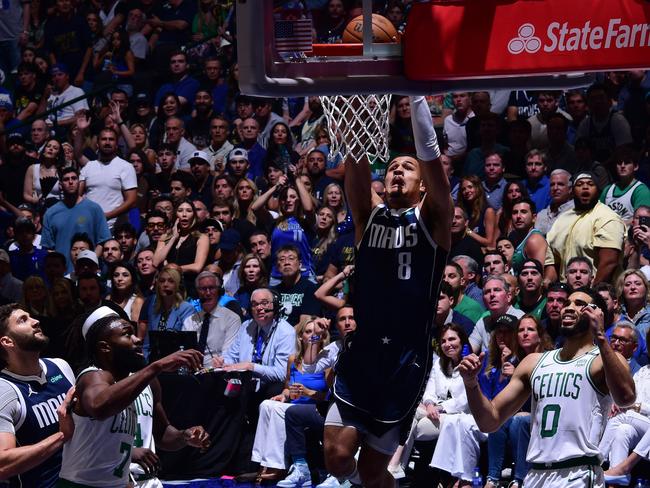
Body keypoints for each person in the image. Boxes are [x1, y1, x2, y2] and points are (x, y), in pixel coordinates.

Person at [323, 95, 451, 488]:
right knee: (337, 458)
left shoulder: (435, 216)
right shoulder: (367, 214)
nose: (397, 172)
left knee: (375, 472)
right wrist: (361, 99)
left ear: (422, 185)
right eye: (392, 166)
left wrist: (413, 98)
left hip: (406, 357)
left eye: (407, 169)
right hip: (363, 351)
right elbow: (357, 164)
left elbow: (430, 156)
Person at [459, 287, 636, 488]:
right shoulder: (533, 362)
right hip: (535, 474)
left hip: (578, 473)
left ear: (597, 313)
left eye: (579, 304)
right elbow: (489, 422)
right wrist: (471, 384)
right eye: (567, 303)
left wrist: (601, 336)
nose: (569, 308)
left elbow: (626, 398)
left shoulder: (603, 360)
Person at [57, 310, 204, 487]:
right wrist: (156, 366)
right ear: (105, 347)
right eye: (127, 335)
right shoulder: (92, 377)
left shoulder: (145, 381)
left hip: (128, 482)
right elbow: (99, 406)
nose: (138, 339)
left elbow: (162, 432)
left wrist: (185, 436)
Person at [388, 323, 475, 483]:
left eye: (452, 339)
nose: (447, 344)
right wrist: (429, 404)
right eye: (443, 341)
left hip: (456, 418)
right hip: (431, 414)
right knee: (410, 413)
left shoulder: (471, 363)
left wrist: (440, 408)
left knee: (411, 420)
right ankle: (395, 467)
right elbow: (429, 391)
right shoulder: (439, 364)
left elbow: (465, 400)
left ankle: (394, 466)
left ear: (462, 340)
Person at [0, 303, 76, 487]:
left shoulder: (60, 366)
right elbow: (3, 464)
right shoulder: (5, 390)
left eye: (31, 316)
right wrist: (61, 436)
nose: (36, 321)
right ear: (7, 341)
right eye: (23, 320)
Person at [251, 316, 330, 482]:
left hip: (315, 408)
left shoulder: (327, 359)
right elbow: (287, 386)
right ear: (301, 336)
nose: (312, 335)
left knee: (280, 411)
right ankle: (262, 462)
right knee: (266, 404)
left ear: (322, 335)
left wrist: (308, 392)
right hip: (294, 405)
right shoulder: (293, 359)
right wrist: (284, 394)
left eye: (315, 332)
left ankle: (278, 466)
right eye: (308, 332)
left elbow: (328, 396)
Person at [546, 172, 625, 283]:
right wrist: (548, 283)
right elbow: (553, 261)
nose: (585, 187)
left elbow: (609, 262)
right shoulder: (562, 219)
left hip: (599, 291)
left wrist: (592, 293)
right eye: (579, 184)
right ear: (572, 191)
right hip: (567, 291)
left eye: (590, 184)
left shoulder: (607, 217)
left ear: (597, 190)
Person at [40, 167, 112, 272]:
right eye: (66, 179)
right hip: (62, 275)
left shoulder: (94, 209)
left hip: (88, 273)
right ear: (60, 185)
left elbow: (102, 241)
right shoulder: (51, 213)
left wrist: (89, 262)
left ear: (79, 182)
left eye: (74, 178)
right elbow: (49, 248)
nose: (70, 182)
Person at [79, 128, 138, 230]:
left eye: (111, 139)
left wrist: (108, 215)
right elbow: (77, 194)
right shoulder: (89, 166)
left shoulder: (126, 167)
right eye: (104, 139)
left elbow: (131, 200)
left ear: (116, 144)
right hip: (88, 225)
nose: (107, 142)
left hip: (113, 226)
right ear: (97, 143)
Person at [182, 271, 241, 368]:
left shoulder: (232, 319)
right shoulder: (190, 321)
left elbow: (228, 355)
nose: (208, 293)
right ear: (197, 293)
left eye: (212, 288)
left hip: (217, 372)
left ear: (219, 291)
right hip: (192, 372)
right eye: (203, 289)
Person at [153, 199, 209, 298]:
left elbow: (197, 267)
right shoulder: (165, 237)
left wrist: (174, 268)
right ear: (175, 215)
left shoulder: (201, 237)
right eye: (180, 210)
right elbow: (156, 262)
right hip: (165, 289)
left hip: (187, 288)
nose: (184, 214)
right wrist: (173, 238)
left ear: (194, 216)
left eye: (188, 211)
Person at [469, 275, 525, 353]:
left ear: (509, 296)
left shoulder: (521, 320)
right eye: (487, 292)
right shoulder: (483, 322)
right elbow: (470, 348)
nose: (492, 294)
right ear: (483, 300)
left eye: (497, 290)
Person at [273, 245, 320, 326]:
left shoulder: (310, 288)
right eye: (282, 259)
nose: (286, 263)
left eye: (291, 258)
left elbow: (304, 324)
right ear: (277, 266)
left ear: (300, 264)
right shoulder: (273, 292)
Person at [534, 169, 574, 236]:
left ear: (570, 189)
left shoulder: (576, 212)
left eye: (560, 184)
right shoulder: (542, 214)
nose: (555, 188)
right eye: (552, 185)